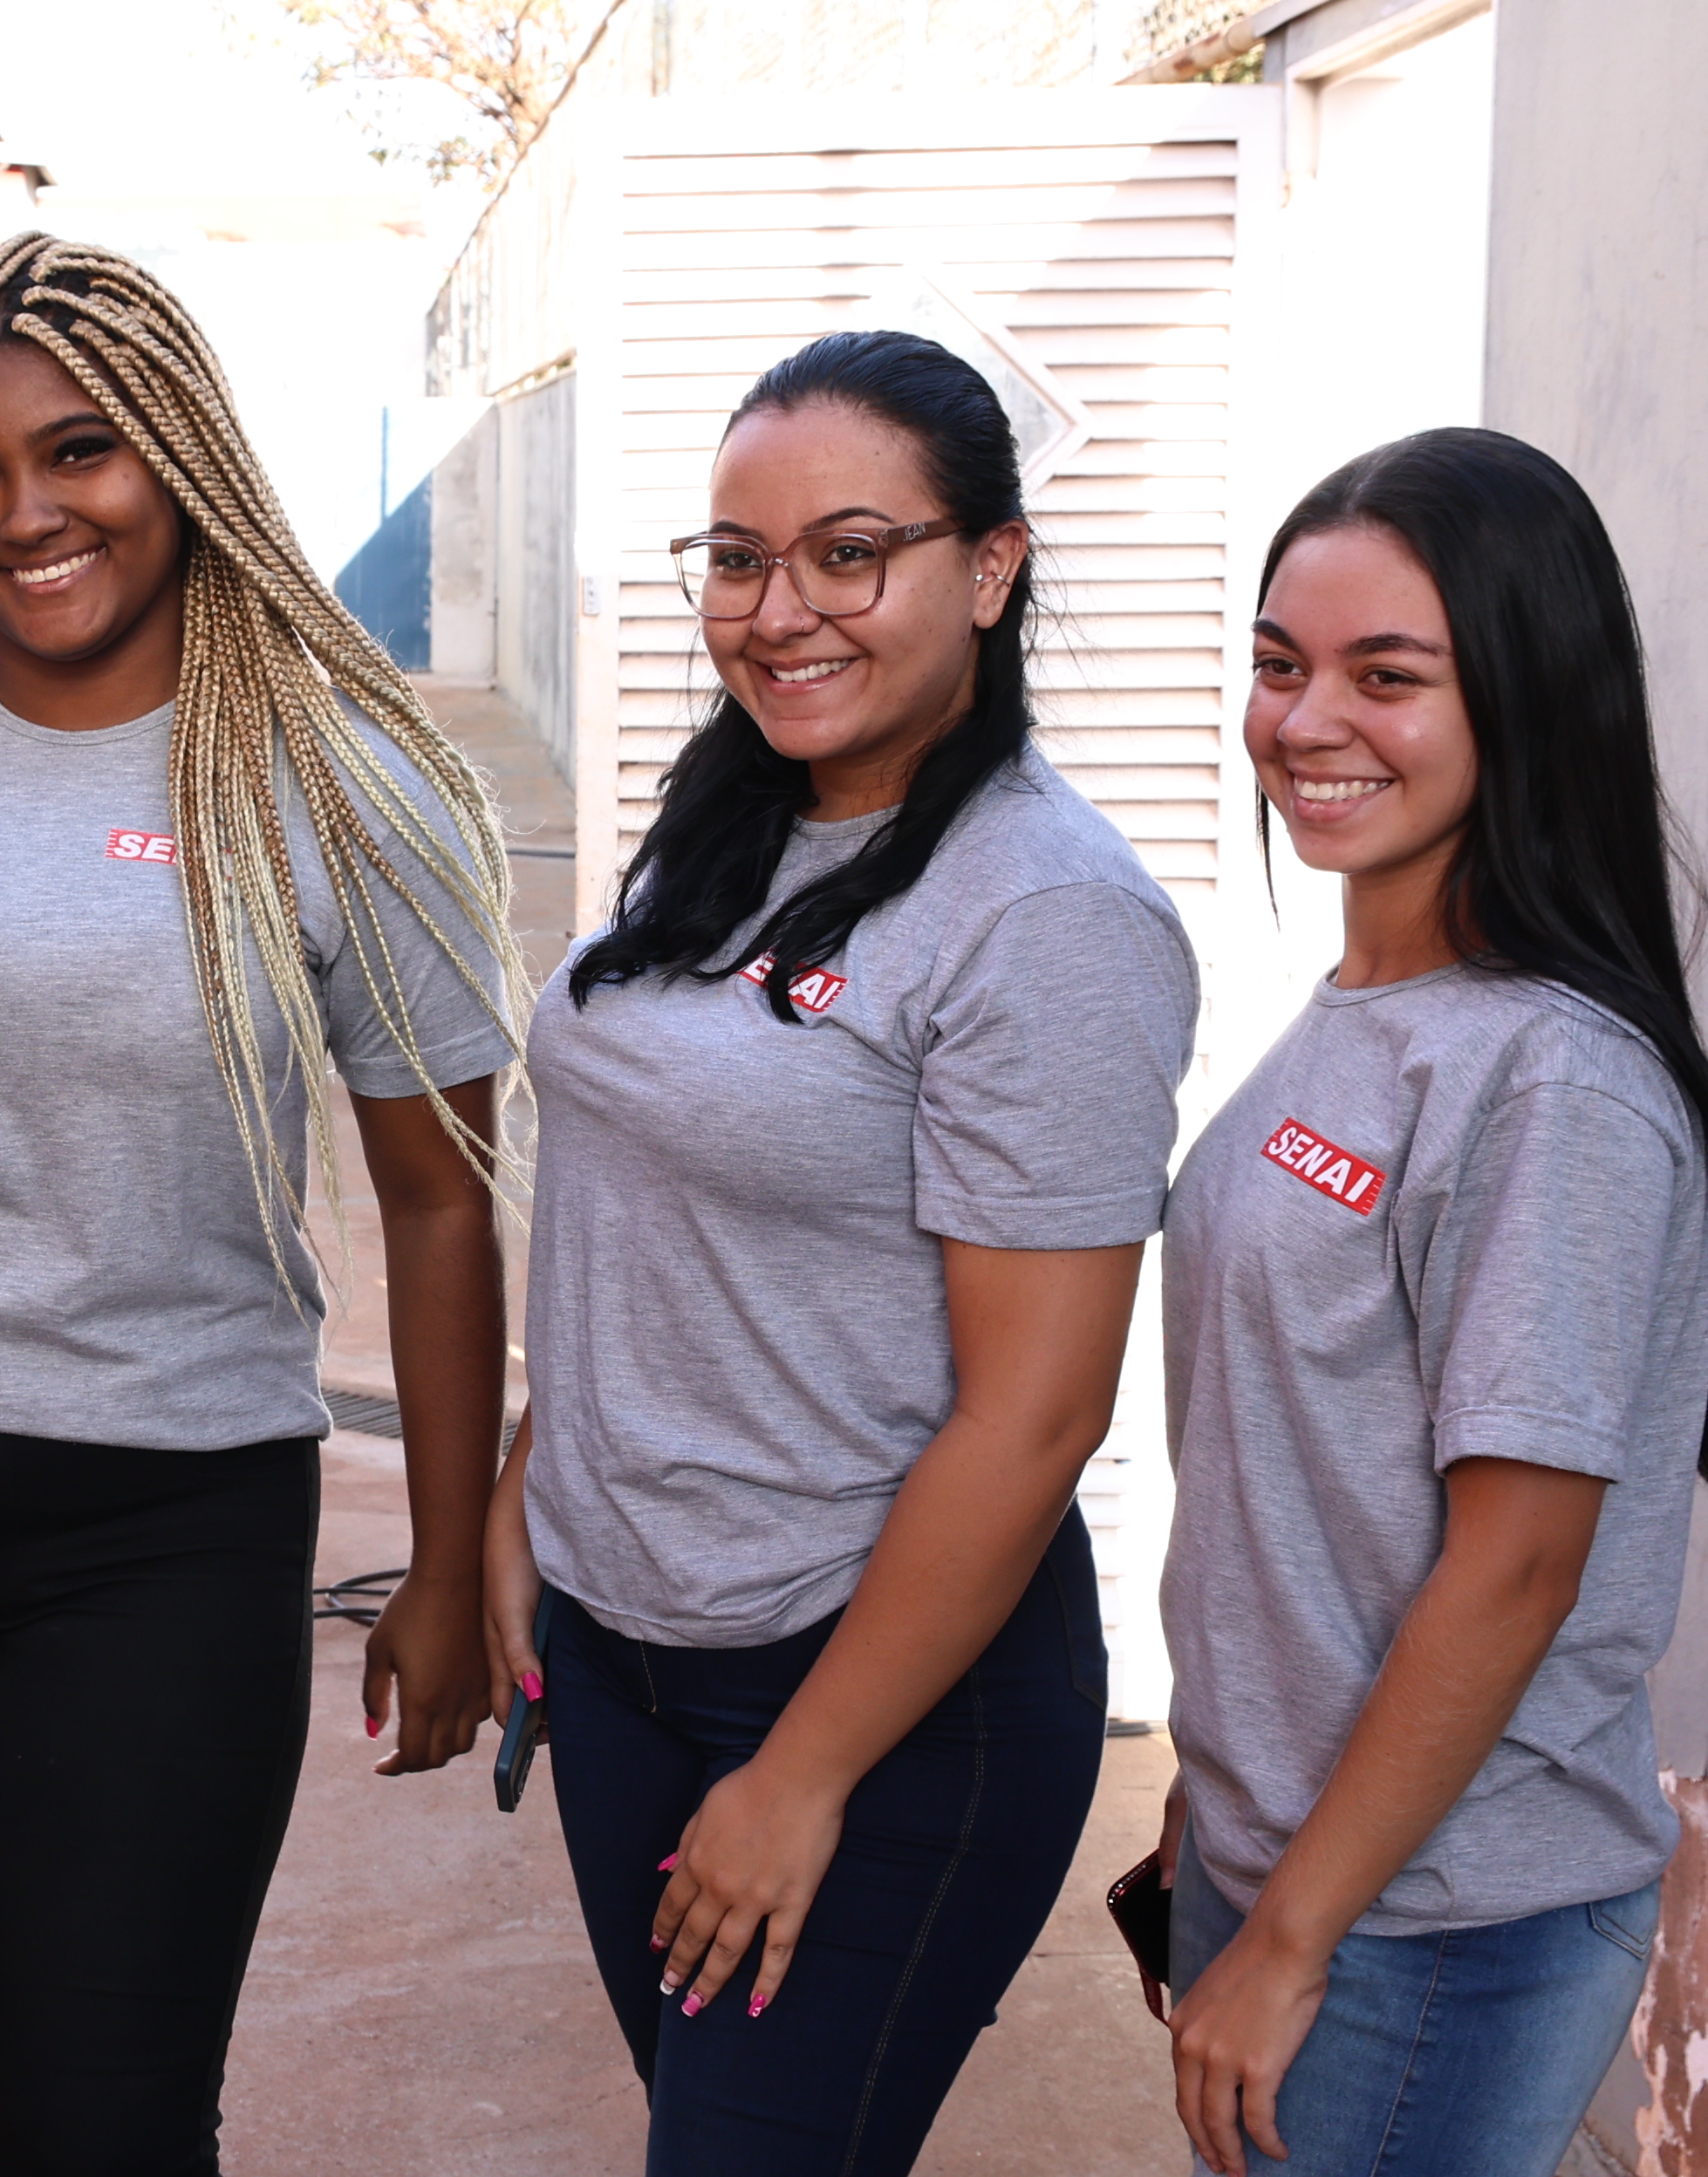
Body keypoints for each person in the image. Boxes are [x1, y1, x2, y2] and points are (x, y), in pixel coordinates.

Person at [0, 233, 523, 2176]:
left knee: (108, 2119)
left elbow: (440, 1204)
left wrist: (445, 1561)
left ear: (181, 448)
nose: (27, 515)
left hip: (167, 1523)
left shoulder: (342, 781)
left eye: (81, 450)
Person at [484, 327, 1201, 2174]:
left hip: (871, 1700)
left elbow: (1037, 1418)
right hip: (627, 1650)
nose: (778, 611)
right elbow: (653, 1196)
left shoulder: (1046, 915)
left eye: (849, 553)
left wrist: (801, 1774)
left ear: (993, 565)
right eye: (739, 558)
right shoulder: (736, 821)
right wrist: (536, 1483)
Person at [1153, 428, 1708, 2177]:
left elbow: (1517, 1567)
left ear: (1526, 698)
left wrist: (1293, 1933)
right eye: (1281, 664)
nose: (1307, 720)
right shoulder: (1367, 1009)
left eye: (1387, 676)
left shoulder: (1552, 1078)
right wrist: (1226, 1795)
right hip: (1303, 1866)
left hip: (1431, 1923)